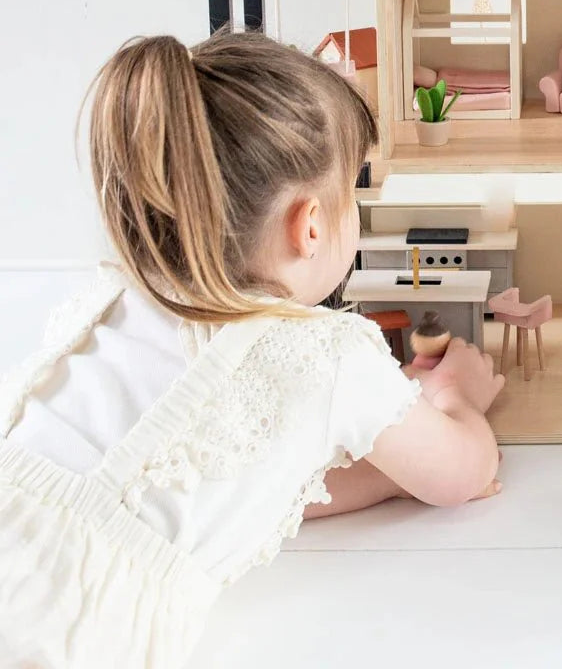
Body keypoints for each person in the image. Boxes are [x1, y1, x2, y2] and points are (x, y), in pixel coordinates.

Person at [0, 32, 504, 669]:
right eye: (357, 190)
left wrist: (382, 476)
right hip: (55, 637)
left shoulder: (118, 294)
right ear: (311, 224)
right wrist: (458, 396)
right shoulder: (328, 353)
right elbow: (462, 474)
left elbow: (243, 477)